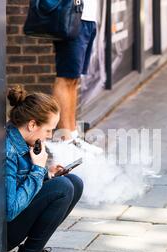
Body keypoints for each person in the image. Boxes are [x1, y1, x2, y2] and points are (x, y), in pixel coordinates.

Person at [6, 85, 84, 252]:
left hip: (13, 220)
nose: (49, 136)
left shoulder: (23, 141)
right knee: (63, 188)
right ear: (32, 125)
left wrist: (46, 175)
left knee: (74, 182)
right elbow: (10, 209)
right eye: (48, 130)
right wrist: (38, 170)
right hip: (2, 232)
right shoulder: (7, 151)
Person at [52, 0, 103, 154]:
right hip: (71, 14)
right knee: (65, 77)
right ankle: (63, 138)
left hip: (87, 18)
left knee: (73, 79)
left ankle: (72, 135)